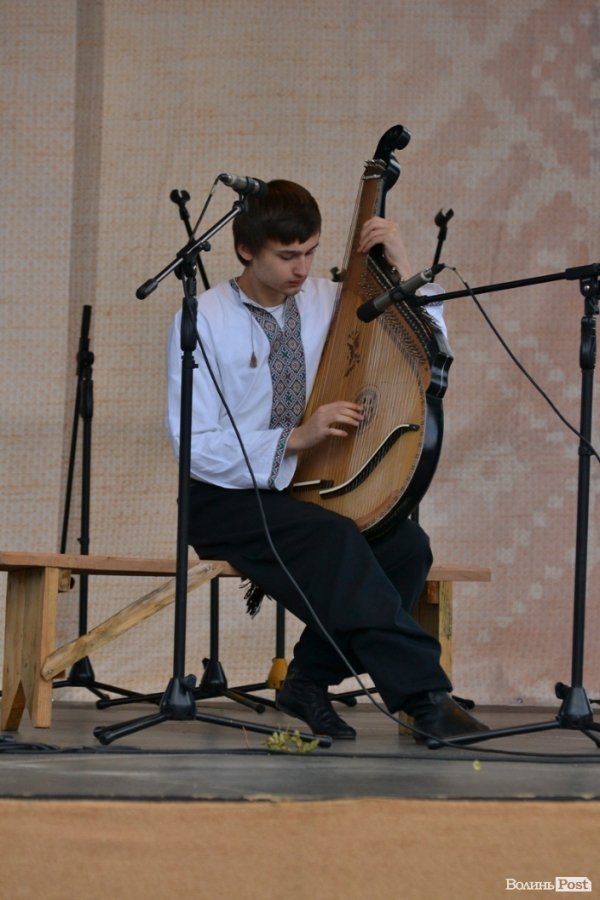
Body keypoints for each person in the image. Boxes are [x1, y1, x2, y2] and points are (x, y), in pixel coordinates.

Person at [165, 179, 488, 742]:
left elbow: (429, 350)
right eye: (287, 255)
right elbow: (192, 442)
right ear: (246, 249)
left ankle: (308, 679)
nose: (301, 268)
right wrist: (295, 437)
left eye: (310, 253)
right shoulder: (203, 319)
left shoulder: (328, 301)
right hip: (224, 498)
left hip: (308, 488)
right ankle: (425, 698)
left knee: (408, 547)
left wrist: (404, 264)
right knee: (337, 540)